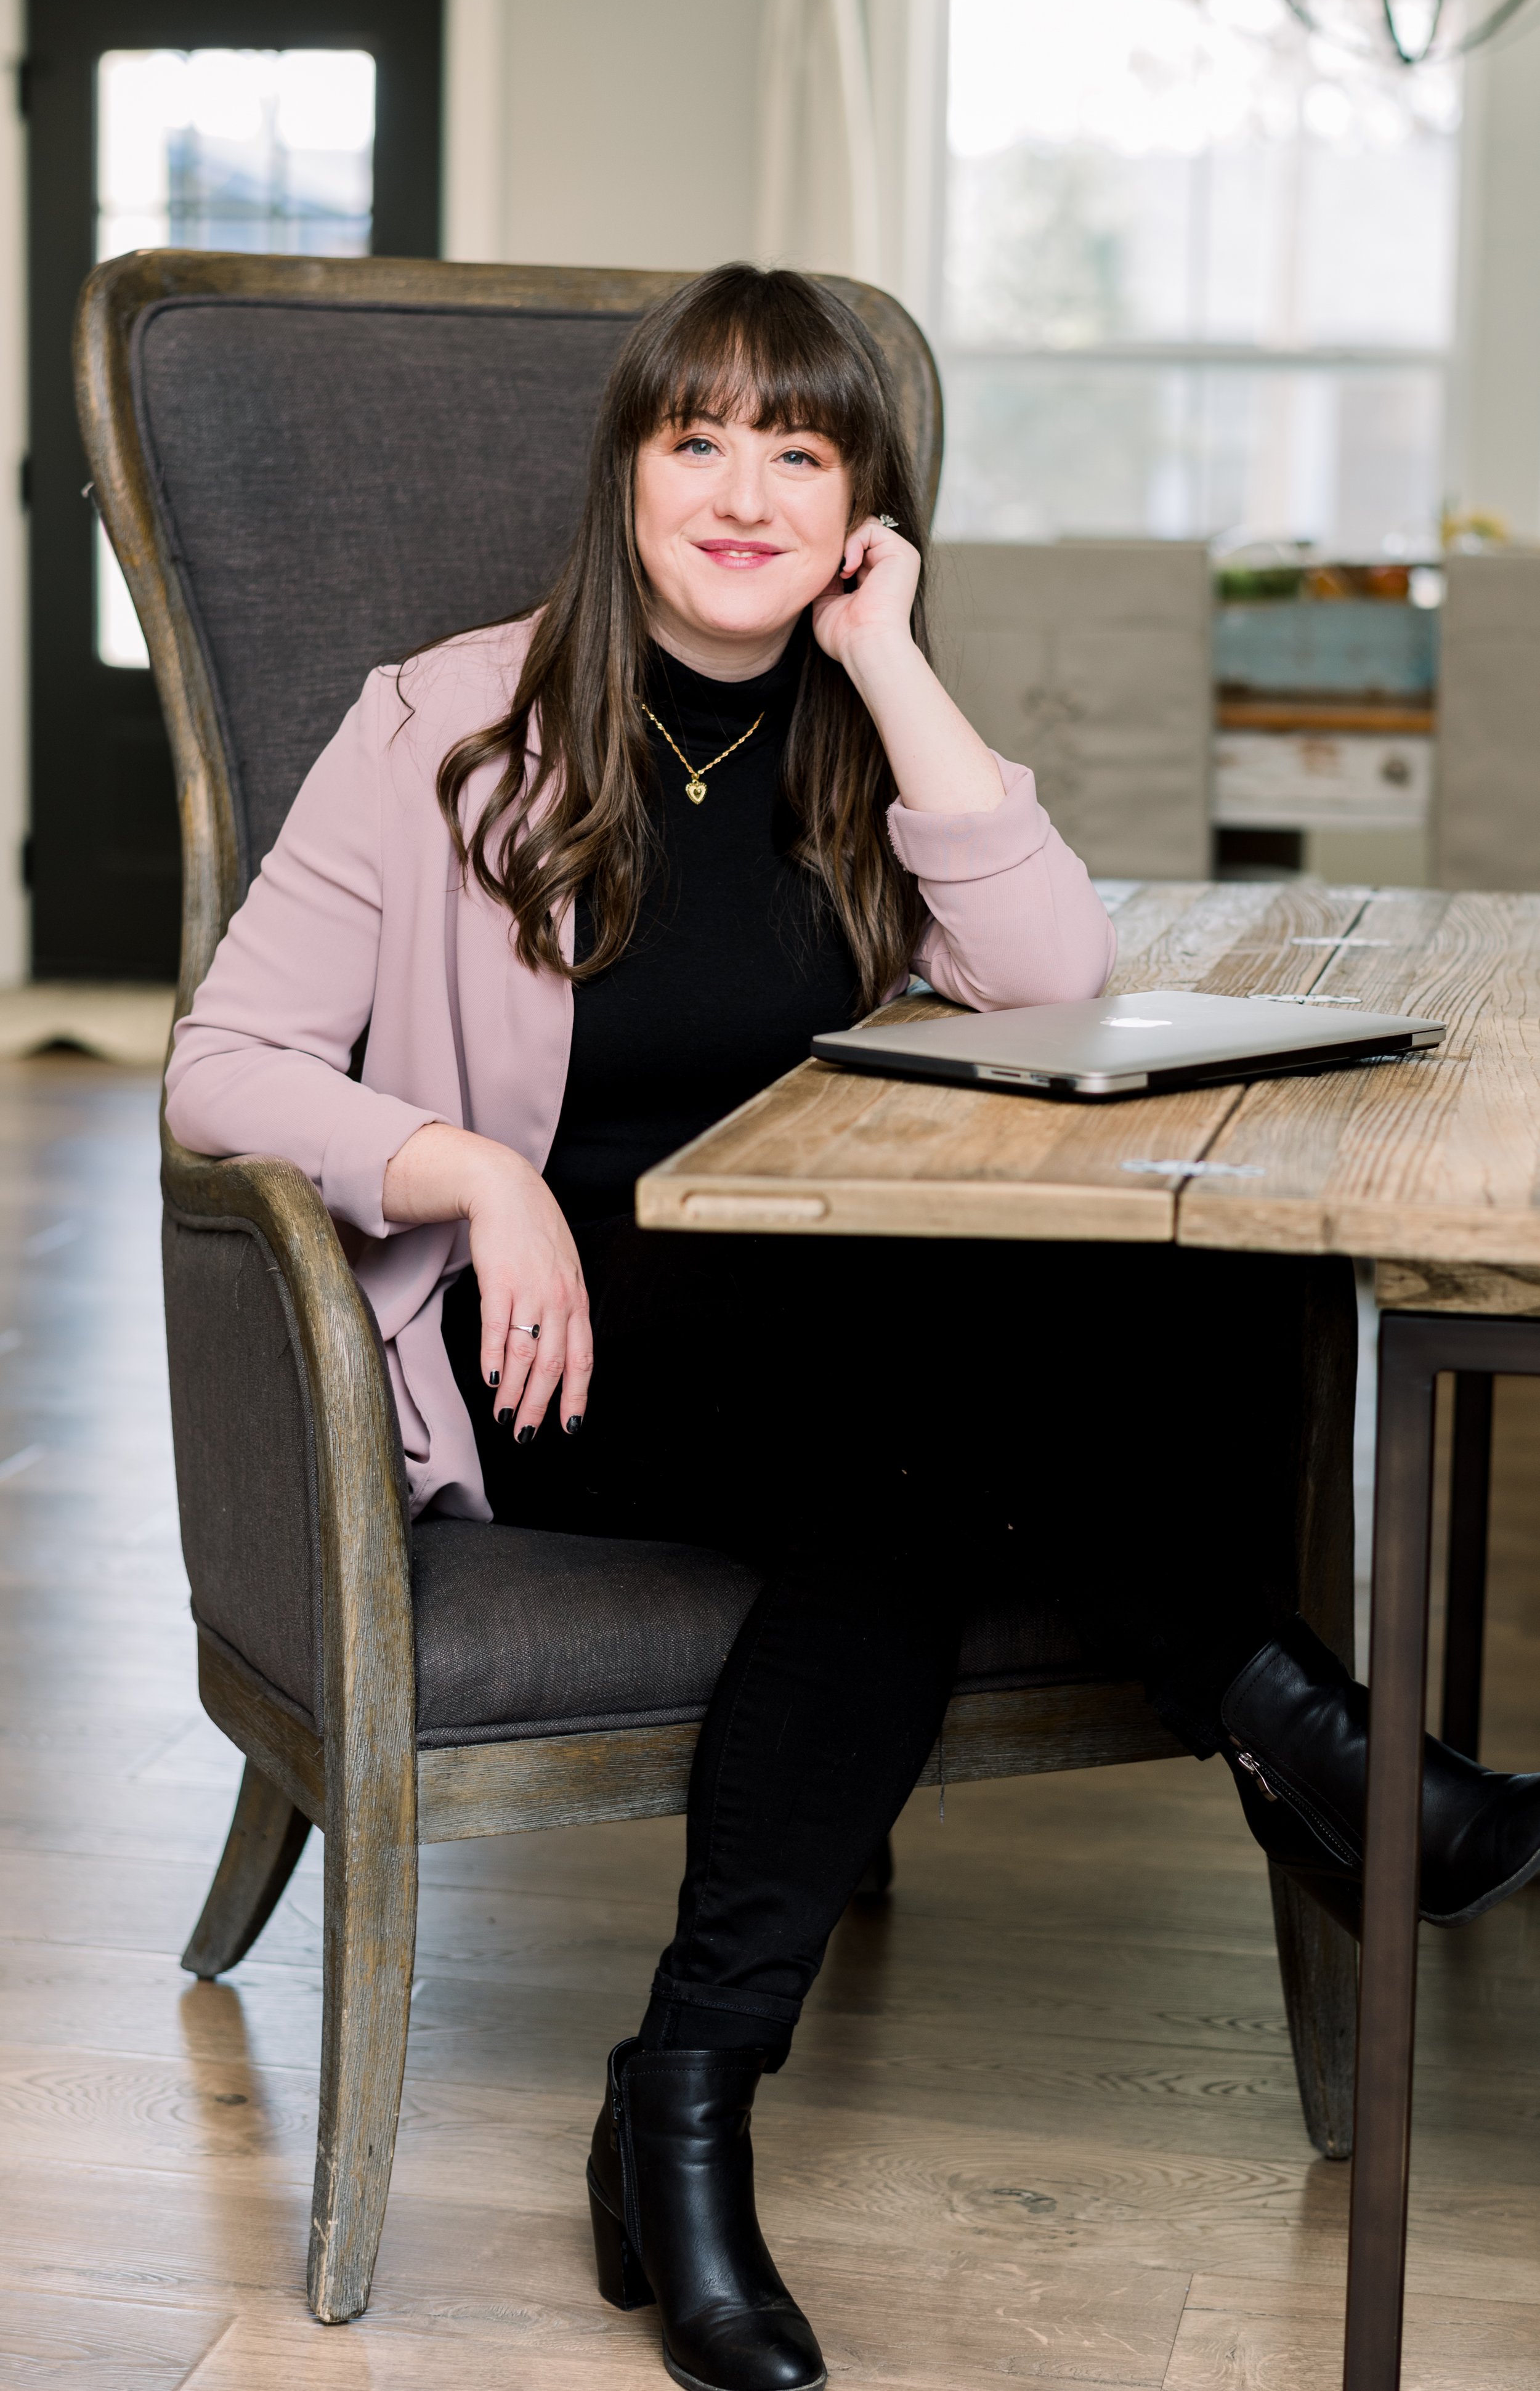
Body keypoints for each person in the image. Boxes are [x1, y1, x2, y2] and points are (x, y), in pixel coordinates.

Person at [164, 265, 1540, 2391]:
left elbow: (1049, 970)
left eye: (795, 453)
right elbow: (223, 1065)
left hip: (836, 1333)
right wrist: (475, 1172)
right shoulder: (440, 721)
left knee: (1025, 1400)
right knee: (965, 1403)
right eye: (694, 440)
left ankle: (684, 2100)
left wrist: (889, 664)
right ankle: (1307, 1740)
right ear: (626, 477)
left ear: (860, 509)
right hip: (563, 1343)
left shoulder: (857, 728)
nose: (739, 491)